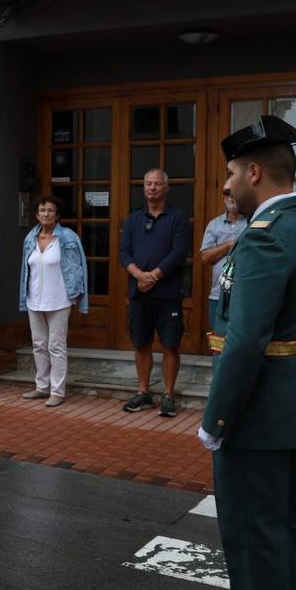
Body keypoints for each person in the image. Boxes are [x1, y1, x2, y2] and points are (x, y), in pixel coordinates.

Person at [200, 115, 296, 590]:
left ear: (255, 173)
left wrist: (216, 420)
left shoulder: (264, 237)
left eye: (232, 174)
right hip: (286, 402)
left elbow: (245, 342)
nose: (228, 184)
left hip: (254, 413)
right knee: (274, 537)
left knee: (252, 543)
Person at [118, 168, 191, 417]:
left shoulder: (178, 218)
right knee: (141, 343)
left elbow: (179, 252)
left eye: (157, 184)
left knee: (170, 345)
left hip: (168, 293)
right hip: (139, 292)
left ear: (166, 188)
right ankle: (143, 392)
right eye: (148, 183)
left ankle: (169, 395)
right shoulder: (133, 219)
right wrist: (139, 275)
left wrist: (154, 276)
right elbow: (124, 253)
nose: (152, 188)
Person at [17, 195, 88, 407]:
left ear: (57, 215)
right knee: (39, 345)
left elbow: (78, 267)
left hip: (59, 299)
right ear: (37, 214)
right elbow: (25, 269)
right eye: (42, 210)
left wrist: (78, 293)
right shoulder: (30, 238)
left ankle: (57, 391)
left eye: (50, 210)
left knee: (56, 346)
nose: (45, 214)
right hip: (34, 299)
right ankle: (41, 387)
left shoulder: (68, 237)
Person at [200, 189, 248, 331]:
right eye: (229, 195)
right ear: (224, 198)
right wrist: (228, 245)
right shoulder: (214, 225)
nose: (232, 199)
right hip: (218, 296)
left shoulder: (252, 222)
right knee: (219, 343)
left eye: (236, 195)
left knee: (242, 343)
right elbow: (205, 258)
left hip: (245, 295)